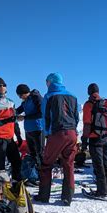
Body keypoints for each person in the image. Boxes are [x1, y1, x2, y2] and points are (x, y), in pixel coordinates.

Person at [36, 73, 79, 205]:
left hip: (57, 133)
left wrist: (48, 134)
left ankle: (44, 196)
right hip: (72, 133)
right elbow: (76, 117)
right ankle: (68, 197)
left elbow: (45, 118)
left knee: (46, 164)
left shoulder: (49, 96)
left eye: (47, 82)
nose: (46, 84)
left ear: (51, 82)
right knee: (69, 164)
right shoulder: (73, 96)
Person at [82, 83, 107, 197]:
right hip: (106, 137)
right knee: (106, 163)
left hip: (94, 138)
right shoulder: (106, 103)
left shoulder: (89, 105)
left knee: (98, 165)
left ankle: (101, 191)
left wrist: (84, 141)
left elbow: (87, 124)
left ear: (89, 92)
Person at [15, 84, 44, 168]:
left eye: (20, 95)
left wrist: (25, 117)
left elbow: (41, 113)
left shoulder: (36, 98)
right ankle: (35, 174)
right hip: (28, 130)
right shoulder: (25, 102)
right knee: (32, 153)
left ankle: (44, 175)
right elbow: (18, 110)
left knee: (40, 153)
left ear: (24, 92)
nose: (20, 97)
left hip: (38, 129)